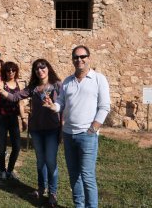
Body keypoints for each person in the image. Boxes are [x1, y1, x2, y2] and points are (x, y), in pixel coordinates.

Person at [43, 45, 110, 208]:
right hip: (68, 134)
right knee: (74, 176)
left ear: (89, 58)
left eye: (82, 56)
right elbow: (61, 103)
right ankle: (79, 205)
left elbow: (104, 107)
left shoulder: (99, 79)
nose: (79, 59)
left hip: (87, 135)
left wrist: (92, 129)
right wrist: (54, 106)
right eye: (76, 57)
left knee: (87, 176)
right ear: (72, 59)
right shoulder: (67, 81)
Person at [0, 59, 62, 207]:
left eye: (42, 67)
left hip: (53, 129)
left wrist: (62, 129)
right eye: (36, 69)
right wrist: (2, 91)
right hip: (37, 130)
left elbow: (64, 107)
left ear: (48, 68)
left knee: (51, 162)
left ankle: (53, 193)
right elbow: (15, 97)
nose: (40, 71)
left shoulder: (57, 85)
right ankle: (41, 188)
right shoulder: (33, 87)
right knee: (40, 162)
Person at [0, 61, 25, 180]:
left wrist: (23, 119)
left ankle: (10, 169)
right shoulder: (1, 83)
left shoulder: (19, 85)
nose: (11, 72)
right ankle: (2, 169)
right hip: (2, 118)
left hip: (13, 119)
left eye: (13, 70)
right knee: (1, 147)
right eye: (8, 70)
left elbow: (21, 103)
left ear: (16, 71)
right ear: (5, 72)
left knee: (17, 146)